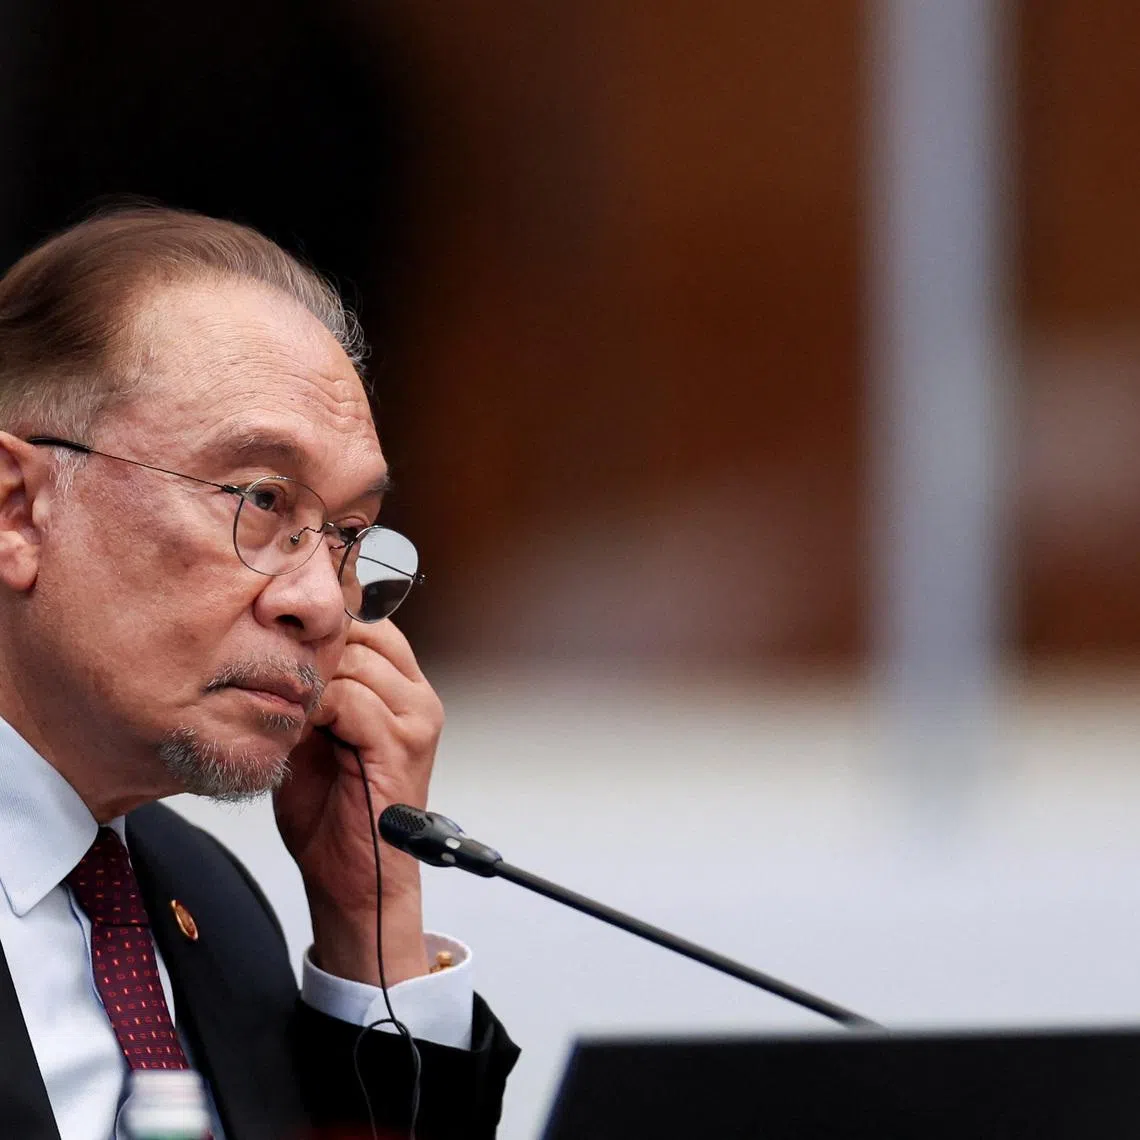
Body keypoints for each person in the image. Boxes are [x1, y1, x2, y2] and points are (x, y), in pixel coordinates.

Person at [0, 207, 518, 1140]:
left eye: (350, 537)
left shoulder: (207, 904)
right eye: (261, 499)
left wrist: (373, 923)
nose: (322, 603)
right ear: (16, 510)